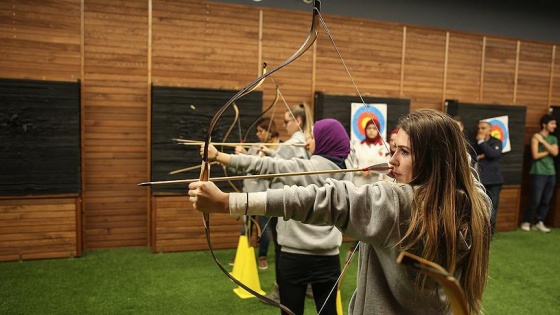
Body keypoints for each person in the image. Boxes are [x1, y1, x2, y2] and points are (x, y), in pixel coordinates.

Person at [189, 109, 492, 314]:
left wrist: (226, 203)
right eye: (393, 149)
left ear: (435, 159)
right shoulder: (477, 202)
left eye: (404, 151)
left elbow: (324, 200)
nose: (392, 160)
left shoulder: (397, 204)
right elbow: (462, 164)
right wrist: (447, 146)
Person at [200, 118, 349, 315]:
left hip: (294, 256)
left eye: (313, 137)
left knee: (291, 311)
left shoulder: (302, 168)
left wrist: (219, 156)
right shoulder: (348, 173)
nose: (307, 142)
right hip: (329, 258)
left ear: (324, 142)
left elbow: (264, 166)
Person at [233, 117, 280, 270]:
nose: (258, 134)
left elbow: (261, 170)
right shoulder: (254, 148)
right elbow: (245, 167)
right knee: (245, 227)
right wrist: (237, 158)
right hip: (248, 194)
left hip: (264, 196)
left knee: (264, 229)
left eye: (261, 131)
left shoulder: (274, 151)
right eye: (257, 131)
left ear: (269, 132)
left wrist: (246, 156)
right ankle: (243, 255)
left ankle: (262, 257)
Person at [346, 119, 390, 260]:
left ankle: (372, 244)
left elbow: (388, 165)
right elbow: (352, 164)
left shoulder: (385, 146)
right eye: (369, 128)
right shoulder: (357, 146)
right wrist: (361, 171)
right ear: (365, 130)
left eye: (374, 128)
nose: (371, 130)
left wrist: (374, 171)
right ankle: (357, 243)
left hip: (377, 184)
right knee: (362, 214)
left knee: (374, 214)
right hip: (361, 183)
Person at [520, 114, 558, 233]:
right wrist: (549, 150)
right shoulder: (536, 136)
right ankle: (526, 221)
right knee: (535, 199)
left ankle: (539, 221)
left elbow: (556, 153)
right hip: (538, 172)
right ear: (544, 125)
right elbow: (535, 155)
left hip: (551, 173)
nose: (555, 126)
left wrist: (544, 143)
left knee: (546, 199)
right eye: (552, 123)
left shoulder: (553, 139)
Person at [472, 121, 503, 236]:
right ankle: (479, 233)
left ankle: (489, 234)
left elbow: (493, 154)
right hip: (479, 181)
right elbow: (472, 156)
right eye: (479, 128)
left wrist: (482, 142)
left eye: (483, 128)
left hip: (494, 181)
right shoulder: (475, 143)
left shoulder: (496, 142)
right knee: (479, 208)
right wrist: (481, 151)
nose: (480, 130)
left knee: (492, 208)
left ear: (490, 130)